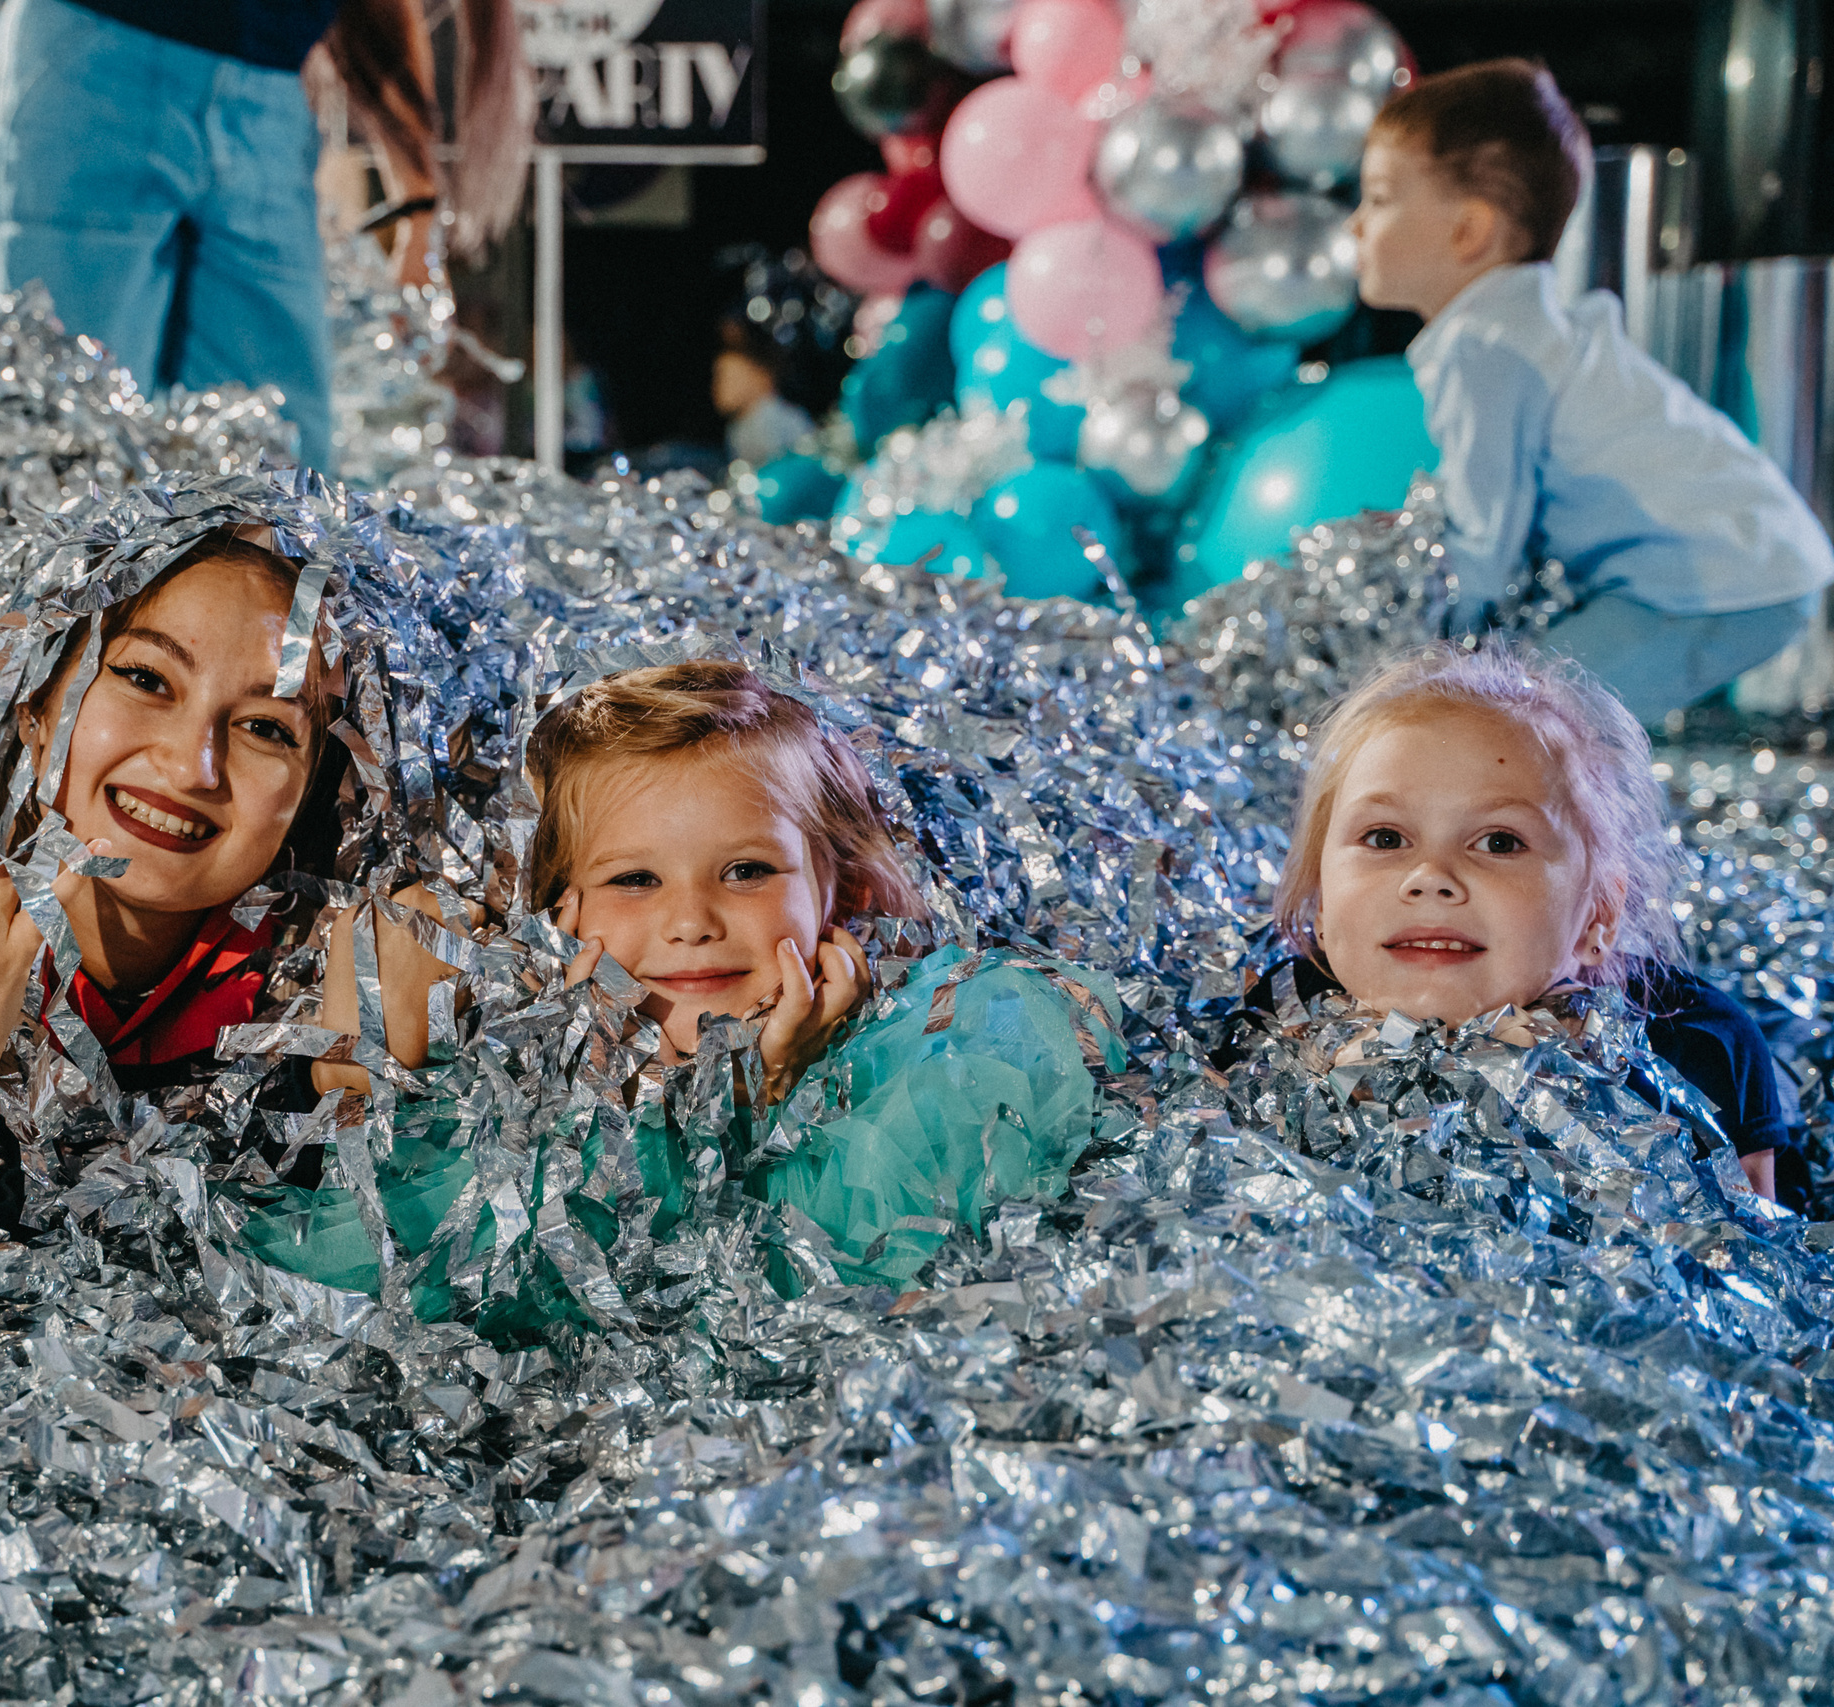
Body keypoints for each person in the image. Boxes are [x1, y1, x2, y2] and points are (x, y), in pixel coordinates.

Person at [238, 662, 1122, 1331]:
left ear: (836, 888)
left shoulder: (950, 1045)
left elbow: (809, 1305)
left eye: (746, 870)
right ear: (563, 912)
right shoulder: (520, 1110)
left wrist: (757, 1100)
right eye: (634, 880)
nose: (691, 920)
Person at [0, 522, 350, 1231]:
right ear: (37, 708)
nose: (191, 766)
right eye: (145, 678)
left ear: (307, 796)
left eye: (266, 727)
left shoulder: (323, 1018)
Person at [1348, 60, 1834, 725]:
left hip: (1714, 580)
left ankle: (1587, 829)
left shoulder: (1484, 346)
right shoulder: (1520, 327)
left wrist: (1417, 655)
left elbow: (1483, 552)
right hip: (1752, 563)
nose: (1354, 224)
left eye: (1377, 198)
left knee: (1520, 713)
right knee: (1548, 714)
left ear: (1469, 230)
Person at [1234, 639, 1802, 1206]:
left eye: (1499, 842)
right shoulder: (1284, 1016)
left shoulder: (1696, 1048)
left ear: (1598, 915)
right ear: (1323, 905)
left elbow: (1749, 1252)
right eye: (1385, 838)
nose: (1430, 877)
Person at [0, 0, 528, 473]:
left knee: (283, 473)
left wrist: (419, 211)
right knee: (70, 441)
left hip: (266, 91)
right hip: (101, 51)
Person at [715, 319, 816, 469]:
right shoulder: (740, 425)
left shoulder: (769, 418)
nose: (719, 388)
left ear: (761, 377)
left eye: (728, 378)